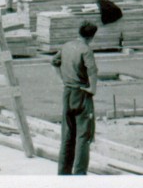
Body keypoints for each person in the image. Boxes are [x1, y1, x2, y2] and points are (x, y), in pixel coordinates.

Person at [52, 18, 99, 174]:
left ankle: (63, 172)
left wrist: (62, 79)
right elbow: (92, 71)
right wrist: (92, 88)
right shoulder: (86, 50)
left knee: (67, 135)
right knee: (83, 137)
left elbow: (54, 61)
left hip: (67, 92)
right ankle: (79, 174)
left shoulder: (67, 46)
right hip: (81, 94)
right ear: (92, 36)